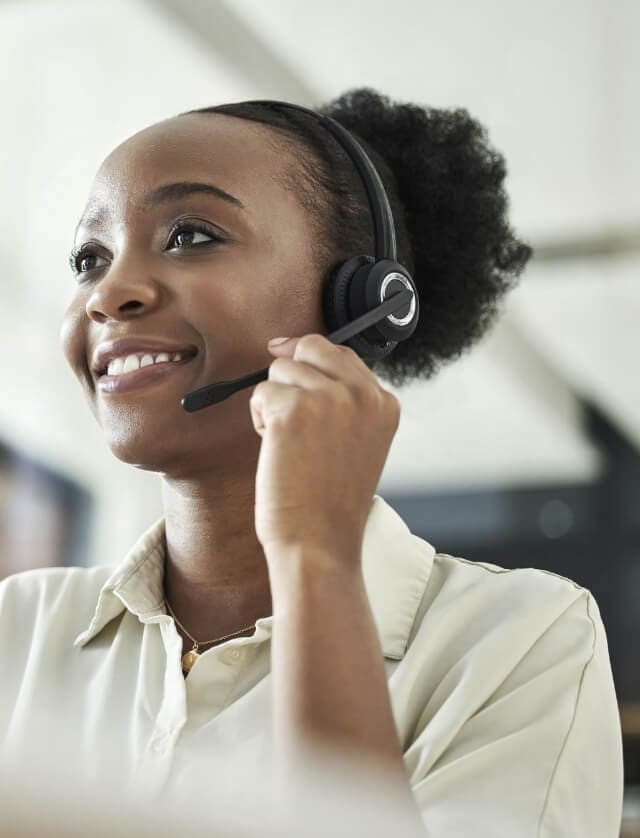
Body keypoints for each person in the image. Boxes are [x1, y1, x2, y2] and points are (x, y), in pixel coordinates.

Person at [0, 89, 623, 835]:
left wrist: (316, 560)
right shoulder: (18, 628)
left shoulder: (519, 642)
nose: (111, 292)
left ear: (363, 302)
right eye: (88, 258)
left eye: (192, 235)